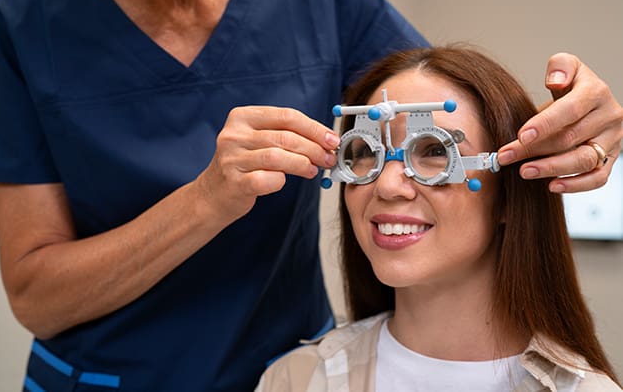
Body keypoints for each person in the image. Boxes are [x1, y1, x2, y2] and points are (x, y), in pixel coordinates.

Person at [0, 0, 620, 390]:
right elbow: (34, 294)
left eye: (427, 157)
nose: (393, 184)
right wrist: (207, 201)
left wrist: (565, 130)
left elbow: (458, 110)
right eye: (365, 156)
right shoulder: (25, 25)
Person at [255, 45, 622, 392]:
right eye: (365, 152)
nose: (387, 185)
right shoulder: (295, 380)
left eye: (434, 151)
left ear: (510, 195)